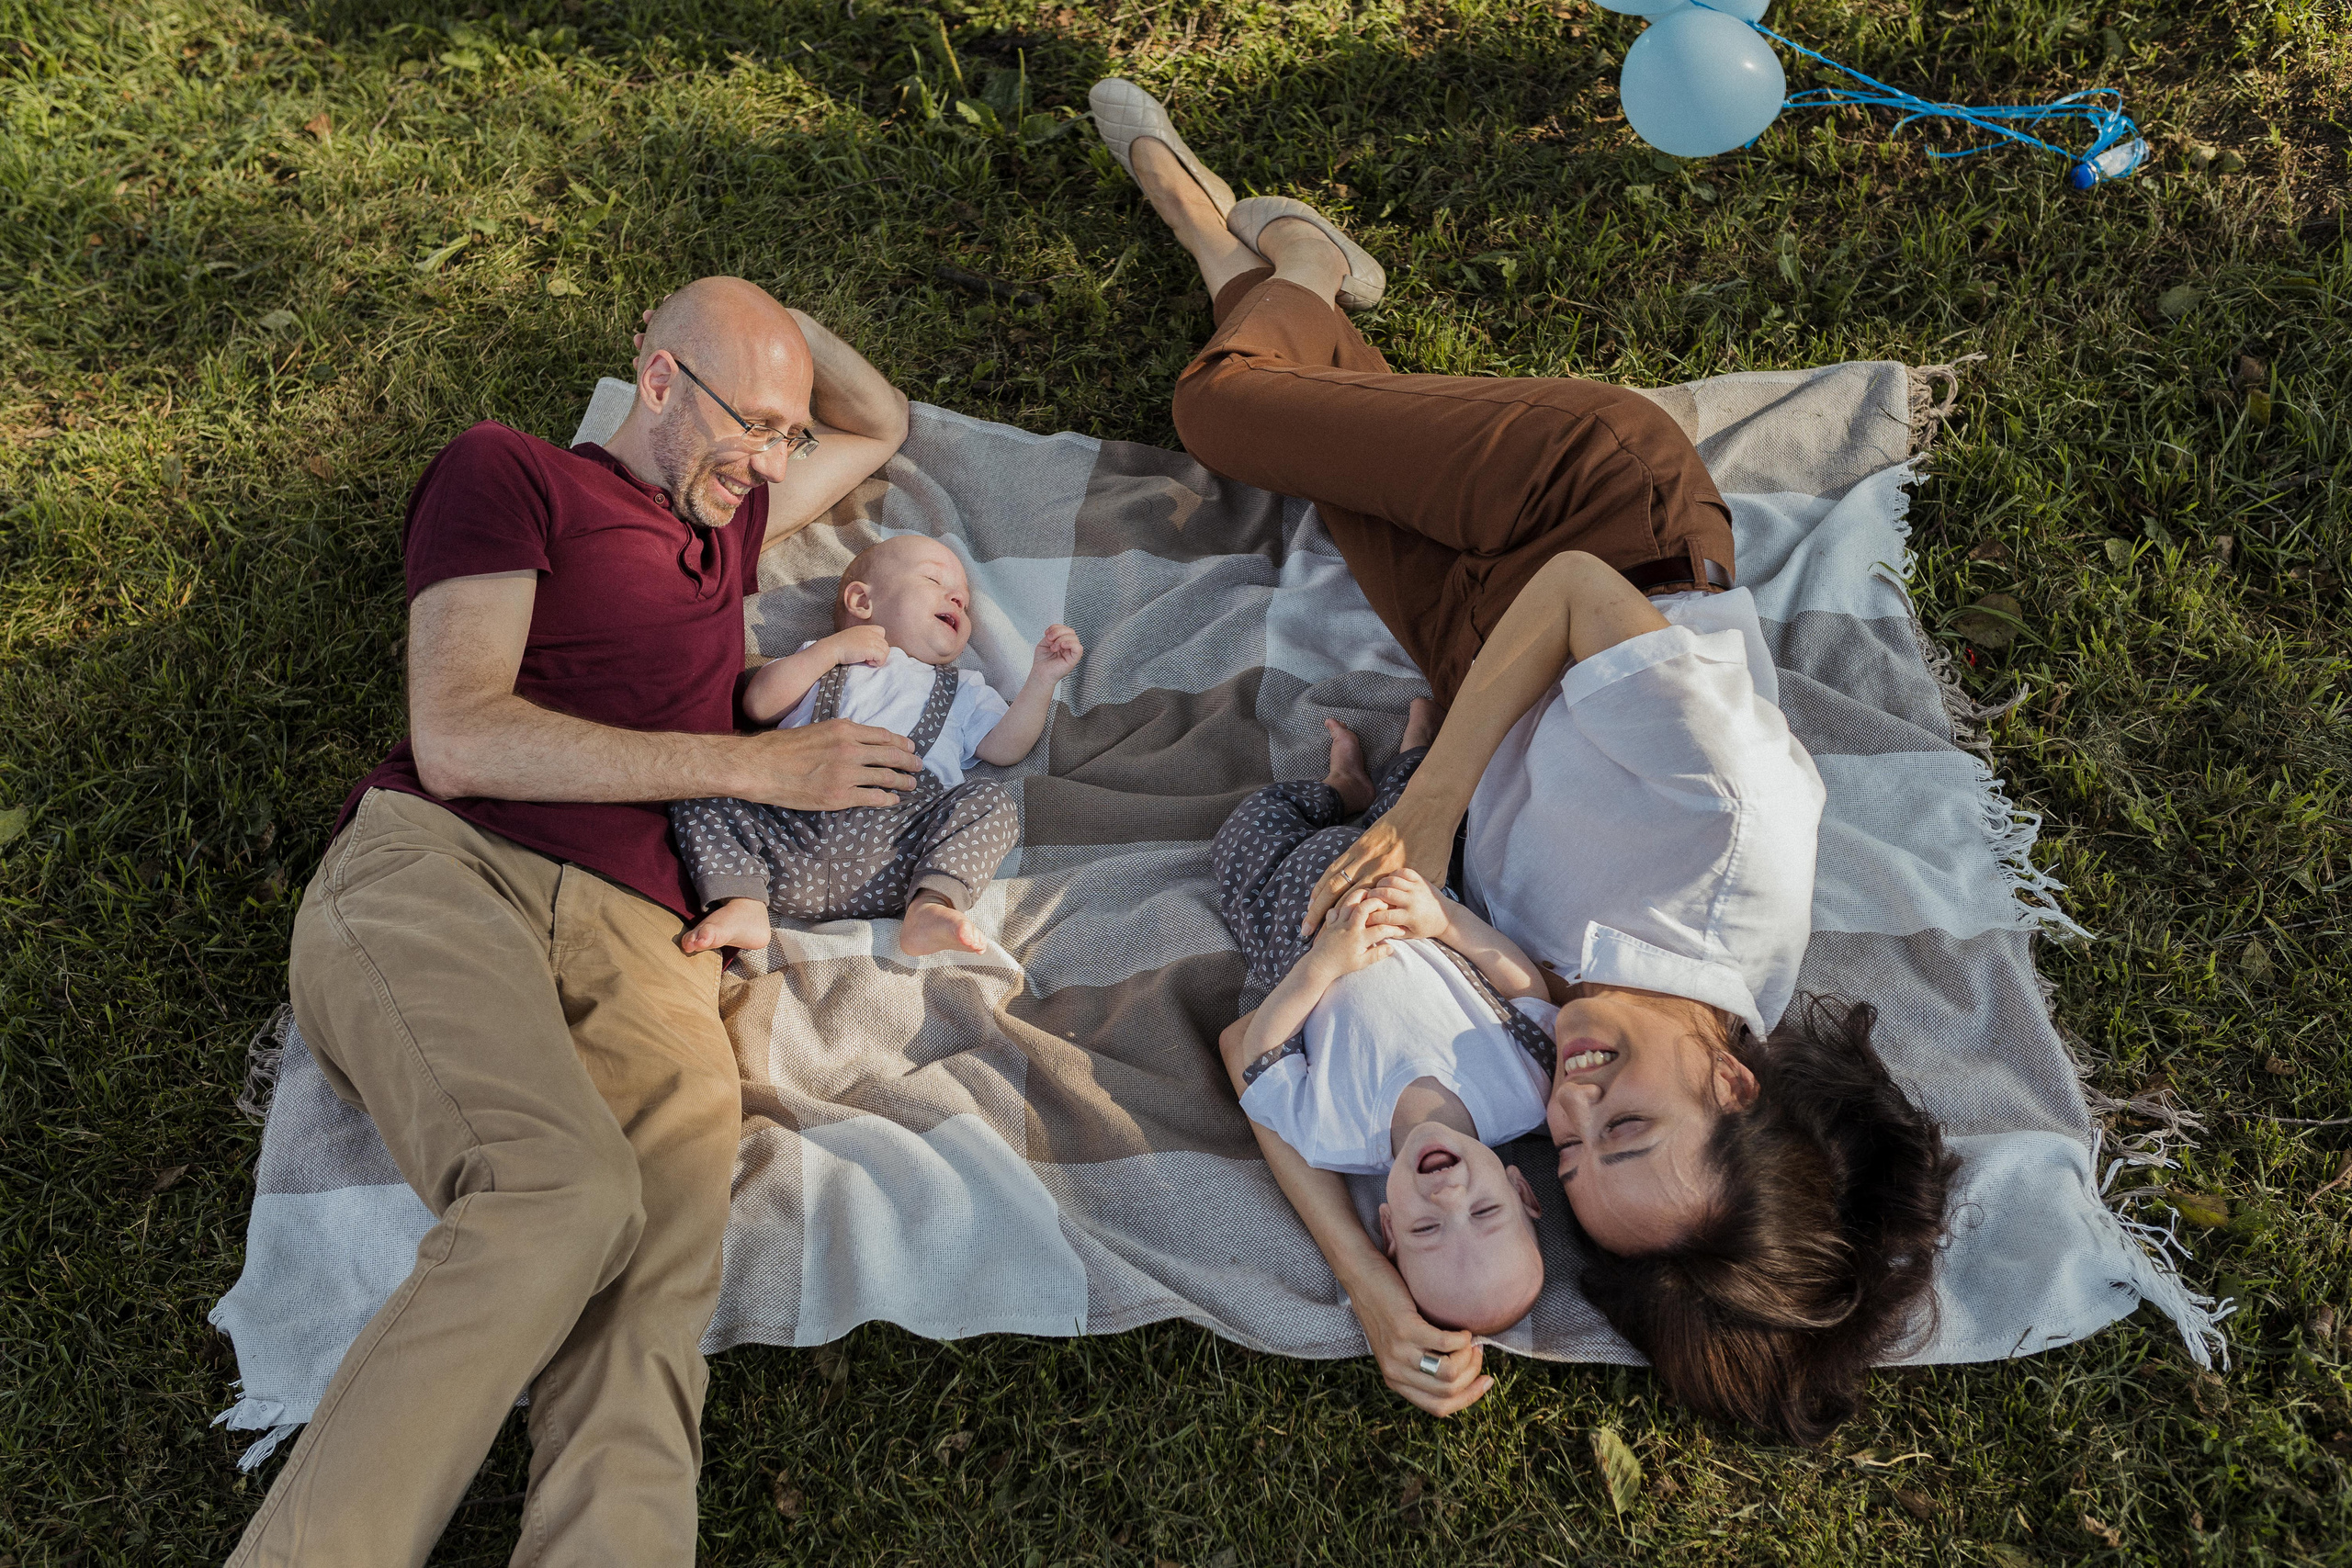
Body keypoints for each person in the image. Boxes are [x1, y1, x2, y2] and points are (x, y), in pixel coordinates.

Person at [1092, 80, 1957, 1442]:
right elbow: (1564, 591)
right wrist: (1428, 809)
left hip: (1477, 653)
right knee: (1226, 411)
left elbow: (1286, 1103)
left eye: (1564, 1148)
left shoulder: (1573, 1044)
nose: (1570, 1099)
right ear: (1734, 1082)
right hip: (1590, 517)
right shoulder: (1732, 826)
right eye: (1620, 1125)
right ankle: (1279, 256)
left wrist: (1376, 1286)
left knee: (1320, 428)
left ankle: (1295, 287)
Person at [235, 276, 916, 1565]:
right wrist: (753, 769)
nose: (770, 458)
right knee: (560, 1192)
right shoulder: (513, 474)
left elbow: (877, 422)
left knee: (652, 1298)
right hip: (446, 871)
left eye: (783, 432)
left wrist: (767, 342)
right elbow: (459, 734)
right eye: (749, 424)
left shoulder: (739, 506)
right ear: (657, 378)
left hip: (646, 944)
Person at [1212, 707, 1551, 1337]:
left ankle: (1340, 786)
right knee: (1422, 798)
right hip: (1409, 891)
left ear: (1388, 1225)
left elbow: (1258, 1051)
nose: (1449, 1196)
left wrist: (1320, 967)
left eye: (1426, 1228)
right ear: (1521, 1191)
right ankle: (1405, 756)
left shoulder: (1330, 1136)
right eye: (1483, 1210)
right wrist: (1445, 923)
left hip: (1299, 920)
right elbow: (1526, 986)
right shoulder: (1527, 1091)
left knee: (1242, 835)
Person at [673, 533, 1083, 957]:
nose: (957, 598)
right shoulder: (819, 657)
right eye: (934, 580)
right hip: (787, 832)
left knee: (992, 800)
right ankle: (744, 901)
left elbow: (1006, 748)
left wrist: (1042, 679)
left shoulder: (964, 688)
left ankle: (931, 906)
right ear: (862, 603)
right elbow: (758, 705)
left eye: (963, 599)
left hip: (899, 850)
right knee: (704, 774)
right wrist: (831, 650)